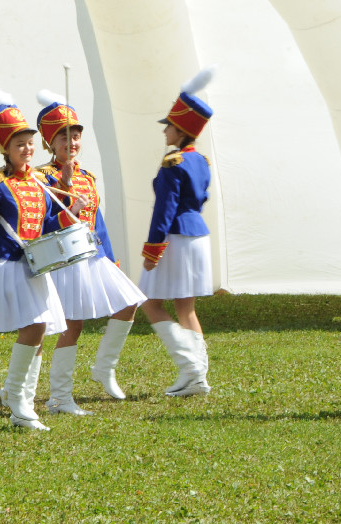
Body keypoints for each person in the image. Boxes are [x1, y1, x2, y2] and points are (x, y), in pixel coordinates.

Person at [0, 80, 86, 431]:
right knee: (34, 326)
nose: (28, 149)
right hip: (7, 262)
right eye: (20, 144)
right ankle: (18, 399)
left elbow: (47, 224)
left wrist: (69, 210)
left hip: (35, 262)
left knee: (42, 328)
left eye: (30, 143)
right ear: (6, 148)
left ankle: (21, 399)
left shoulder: (38, 182)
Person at [34, 92, 146, 413]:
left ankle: (104, 368)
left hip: (94, 254)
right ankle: (58, 397)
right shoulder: (44, 178)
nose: (72, 141)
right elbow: (46, 222)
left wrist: (111, 260)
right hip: (63, 257)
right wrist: (66, 188)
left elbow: (98, 221)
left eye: (76, 134)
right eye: (63, 136)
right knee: (71, 326)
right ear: (49, 142)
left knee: (128, 303)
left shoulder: (88, 176)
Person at [139, 67, 217, 398]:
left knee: (150, 302)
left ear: (182, 129)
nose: (165, 131)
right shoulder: (201, 160)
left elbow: (165, 209)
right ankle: (196, 375)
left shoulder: (174, 163)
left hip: (176, 237)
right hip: (197, 234)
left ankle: (191, 368)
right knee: (186, 309)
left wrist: (153, 247)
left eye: (169, 125)